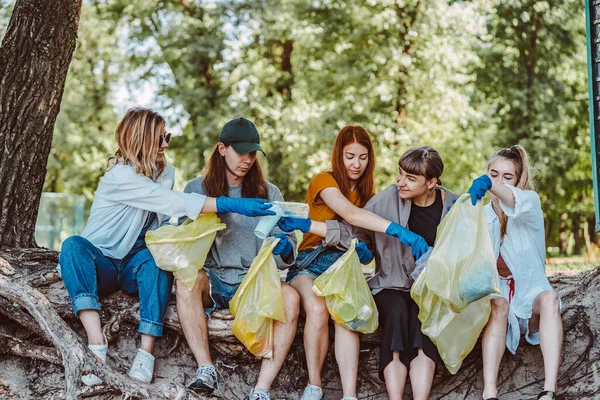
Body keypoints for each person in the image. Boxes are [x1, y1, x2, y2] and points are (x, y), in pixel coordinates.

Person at [58, 108, 275, 386]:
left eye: (166, 137)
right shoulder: (119, 176)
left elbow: (162, 225)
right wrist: (229, 203)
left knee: (159, 260)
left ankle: (146, 351)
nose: (165, 144)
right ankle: (96, 344)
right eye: (159, 138)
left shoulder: (166, 173)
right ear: (140, 139)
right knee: (73, 245)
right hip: (103, 263)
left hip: (135, 265)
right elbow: (169, 202)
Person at [275, 127, 431, 400]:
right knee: (317, 308)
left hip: (345, 267)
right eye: (350, 156)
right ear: (339, 155)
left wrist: (368, 254)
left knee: (348, 315)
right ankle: (314, 385)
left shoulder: (368, 193)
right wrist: (397, 229)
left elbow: (360, 238)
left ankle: (349, 395)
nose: (356, 164)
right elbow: (350, 214)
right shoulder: (324, 180)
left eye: (363, 157)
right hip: (310, 262)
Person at [175, 117, 300, 400]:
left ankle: (261, 390)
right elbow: (183, 244)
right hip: (214, 278)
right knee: (186, 281)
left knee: (291, 297)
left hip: (253, 283)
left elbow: (287, 258)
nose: (247, 159)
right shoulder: (196, 189)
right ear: (222, 149)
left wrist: (283, 249)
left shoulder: (269, 192)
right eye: (241, 152)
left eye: (252, 153)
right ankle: (206, 369)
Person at [467, 145, 562, 400]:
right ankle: (490, 392)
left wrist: (488, 183)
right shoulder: (478, 215)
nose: (498, 182)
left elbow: (512, 199)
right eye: (493, 174)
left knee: (550, 298)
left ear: (518, 180)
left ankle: (549, 390)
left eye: (507, 177)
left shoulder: (529, 203)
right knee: (498, 305)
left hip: (529, 301)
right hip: (497, 304)